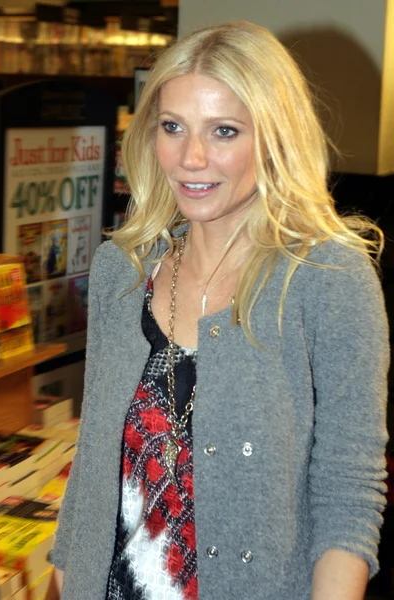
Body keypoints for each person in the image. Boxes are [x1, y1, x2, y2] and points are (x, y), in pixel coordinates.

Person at [48, 21, 389, 600]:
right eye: (173, 127)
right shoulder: (122, 270)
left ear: (274, 139)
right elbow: (94, 462)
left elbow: (348, 492)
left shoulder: (328, 279)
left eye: (224, 131)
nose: (191, 157)